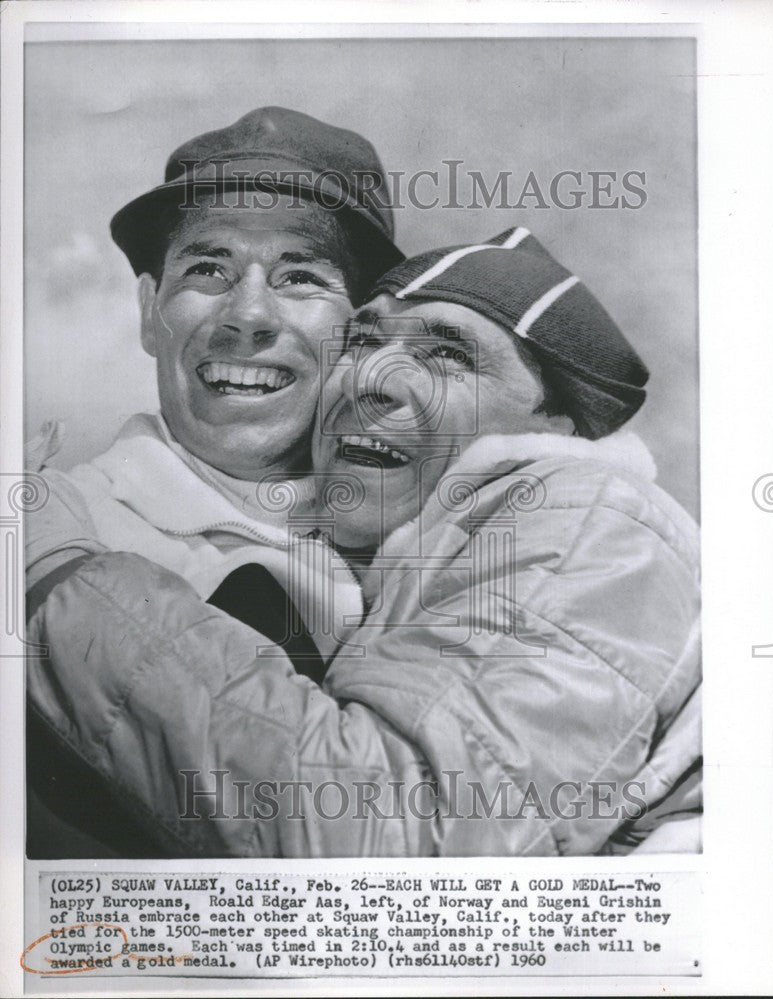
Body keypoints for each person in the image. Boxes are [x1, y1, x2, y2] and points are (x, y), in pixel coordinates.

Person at [27, 229, 701, 857]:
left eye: (448, 354)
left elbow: (388, 840)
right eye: (363, 340)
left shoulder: (585, 509)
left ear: (558, 423)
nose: (370, 379)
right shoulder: (433, 554)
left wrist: (59, 576)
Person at [25, 105, 402, 856]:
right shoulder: (43, 543)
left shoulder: (439, 557)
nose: (248, 314)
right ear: (148, 313)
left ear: (365, 332)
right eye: (208, 269)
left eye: (301, 274)